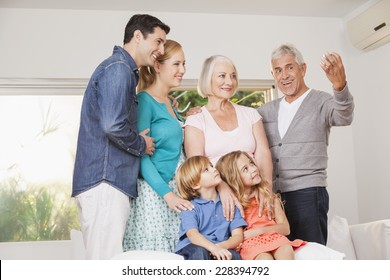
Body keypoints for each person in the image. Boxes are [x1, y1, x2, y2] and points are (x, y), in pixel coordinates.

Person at [72, 14, 170, 259]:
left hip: (106, 181)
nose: (161, 50)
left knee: (106, 260)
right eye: (158, 42)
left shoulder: (123, 70)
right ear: (138, 36)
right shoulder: (119, 68)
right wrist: (142, 143)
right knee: (105, 264)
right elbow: (112, 125)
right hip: (105, 181)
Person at [257, 43, 355, 245]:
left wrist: (340, 86)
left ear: (303, 69)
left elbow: (344, 116)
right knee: (284, 258)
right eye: (278, 70)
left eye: (290, 67)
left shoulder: (320, 101)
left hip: (308, 194)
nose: (284, 75)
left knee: (312, 257)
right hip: (275, 198)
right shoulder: (266, 111)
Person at [123, 39, 194, 253]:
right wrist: (167, 194)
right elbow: (141, 156)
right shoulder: (144, 100)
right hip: (154, 196)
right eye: (176, 64)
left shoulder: (170, 104)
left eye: (184, 64)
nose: (182, 70)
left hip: (173, 194)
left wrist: (189, 117)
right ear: (157, 66)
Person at [184, 55, 273, 221]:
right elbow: (197, 164)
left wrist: (265, 189)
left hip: (254, 198)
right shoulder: (196, 120)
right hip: (219, 201)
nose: (229, 82)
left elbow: (263, 152)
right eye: (222, 76)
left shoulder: (250, 114)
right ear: (207, 79)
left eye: (233, 76)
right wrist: (223, 188)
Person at [216, 151, 306, 260]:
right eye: (245, 169)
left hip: (274, 238)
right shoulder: (234, 205)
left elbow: (286, 228)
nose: (253, 169)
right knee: (264, 258)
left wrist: (258, 231)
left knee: (286, 250)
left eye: (251, 164)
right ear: (233, 179)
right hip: (251, 244)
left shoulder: (269, 197)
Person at [174, 156, 247, 260]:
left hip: (219, 246)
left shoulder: (229, 203)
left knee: (234, 256)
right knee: (200, 252)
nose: (214, 169)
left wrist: (221, 247)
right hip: (192, 248)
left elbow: (238, 236)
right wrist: (213, 248)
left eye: (211, 166)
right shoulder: (190, 207)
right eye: (206, 170)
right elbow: (192, 235)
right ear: (195, 184)